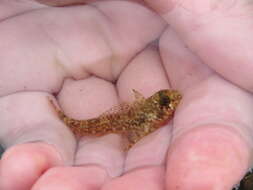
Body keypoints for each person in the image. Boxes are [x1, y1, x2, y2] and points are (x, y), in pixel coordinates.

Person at [0, 0, 253, 189]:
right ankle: (64, 119)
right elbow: (138, 128)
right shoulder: (146, 115)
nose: (172, 101)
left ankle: (63, 118)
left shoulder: (148, 111)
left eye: (166, 99)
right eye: (166, 101)